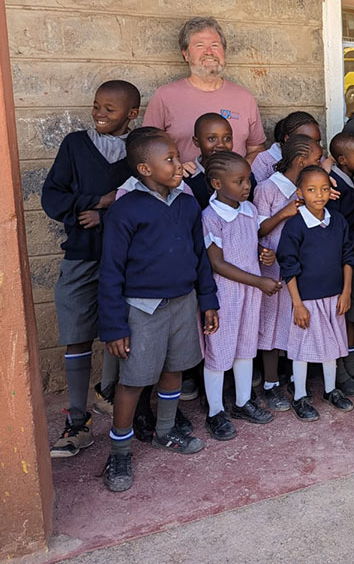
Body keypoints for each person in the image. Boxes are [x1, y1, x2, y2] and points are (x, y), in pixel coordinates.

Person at [98, 128, 219, 492]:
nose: (178, 165)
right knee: (133, 380)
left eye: (176, 156)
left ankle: (165, 431)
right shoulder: (126, 209)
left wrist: (208, 300)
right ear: (143, 169)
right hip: (141, 309)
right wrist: (114, 326)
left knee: (175, 370)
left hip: (183, 302)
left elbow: (200, 257)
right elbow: (111, 271)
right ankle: (119, 451)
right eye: (168, 160)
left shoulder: (186, 203)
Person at [42, 79, 139, 457]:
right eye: (96, 105)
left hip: (128, 259)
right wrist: (98, 200)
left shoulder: (140, 148)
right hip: (82, 255)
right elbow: (53, 196)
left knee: (124, 330)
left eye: (109, 109)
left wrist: (107, 216)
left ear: (131, 114)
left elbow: (148, 196)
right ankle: (77, 421)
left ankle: (111, 397)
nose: (99, 113)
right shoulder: (75, 146)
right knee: (77, 333)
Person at [200, 152, 279, 440]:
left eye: (248, 179)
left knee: (246, 347)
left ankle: (244, 402)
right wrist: (258, 280)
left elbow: (250, 244)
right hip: (226, 293)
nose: (247, 186)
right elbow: (217, 263)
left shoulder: (248, 211)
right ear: (217, 183)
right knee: (219, 351)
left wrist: (263, 255)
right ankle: (215, 411)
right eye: (239, 181)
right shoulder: (210, 217)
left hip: (251, 291)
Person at [277, 165, 354, 419]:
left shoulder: (338, 221)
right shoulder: (295, 226)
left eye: (324, 189)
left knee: (331, 347)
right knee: (303, 349)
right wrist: (298, 304)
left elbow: (348, 257)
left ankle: (331, 389)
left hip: (334, 296)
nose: (319, 195)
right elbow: (287, 267)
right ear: (300, 192)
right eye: (311, 190)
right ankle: (300, 395)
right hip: (307, 300)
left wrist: (346, 293)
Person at [253, 135, 320, 413]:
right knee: (271, 326)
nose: (320, 163)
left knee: (295, 323)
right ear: (300, 161)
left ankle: (296, 378)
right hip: (273, 268)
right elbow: (257, 229)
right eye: (316, 160)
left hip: (299, 266)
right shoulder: (267, 188)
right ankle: (270, 383)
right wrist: (284, 213)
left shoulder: (306, 188)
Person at [144, 17, 265, 163]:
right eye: (199, 45)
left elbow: (256, 149)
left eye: (215, 45)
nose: (209, 52)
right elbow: (147, 149)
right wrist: (175, 168)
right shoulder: (165, 96)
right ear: (186, 54)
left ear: (224, 51)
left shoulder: (244, 98)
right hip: (181, 184)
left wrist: (239, 172)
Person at [327, 132, 354, 397]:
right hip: (340, 259)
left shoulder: (352, 179)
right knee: (342, 314)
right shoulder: (334, 187)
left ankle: (352, 363)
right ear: (342, 160)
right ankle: (342, 369)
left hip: (353, 257)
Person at [251, 111, 322, 182]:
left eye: (317, 141)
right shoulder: (264, 161)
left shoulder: (318, 158)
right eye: (306, 141)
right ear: (287, 139)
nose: (315, 146)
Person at [186, 113, 234, 208]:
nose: (221, 144)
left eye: (227, 138)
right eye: (212, 139)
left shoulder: (243, 175)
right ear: (196, 142)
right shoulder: (187, 178)